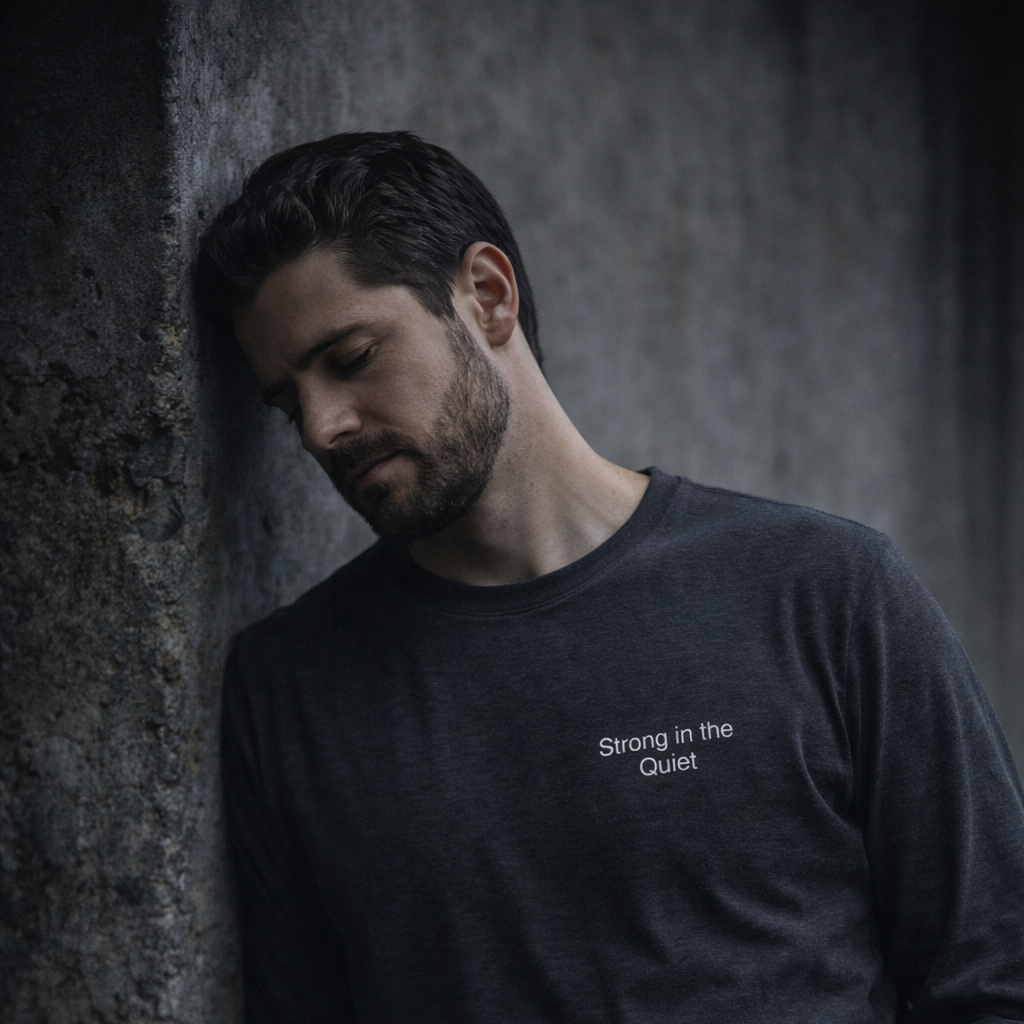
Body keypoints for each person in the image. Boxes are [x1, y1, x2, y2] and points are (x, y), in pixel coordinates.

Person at [195, 131, 1024, 1023]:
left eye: (351, 359)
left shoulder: (822, 592)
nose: (322, 428)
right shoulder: (289, 689)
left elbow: (993, 973)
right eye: (288, 405)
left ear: (486, 295)